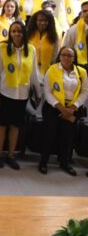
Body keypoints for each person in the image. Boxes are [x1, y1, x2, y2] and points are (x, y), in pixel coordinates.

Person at [0, 20, 40, 170]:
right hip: (6, 93)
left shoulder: (31, 49)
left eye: (19, 31)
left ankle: (11, 155)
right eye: (13, 31)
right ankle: (0, 154)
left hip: (22, 95)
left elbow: (34, 73)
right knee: (2, 125)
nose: (16, 34)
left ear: (24, 33)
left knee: (15, 126)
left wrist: (38, 93)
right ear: (10, 33)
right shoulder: (2, 48)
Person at [39, 47, 87, 176]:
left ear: (74, 57)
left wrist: (72, 108)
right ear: (59, 56)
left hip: (72, 109)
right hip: (53, 107)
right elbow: (47, 92)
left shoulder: (81, 72)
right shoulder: (52, 69)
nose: (66, 58)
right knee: (49, 135)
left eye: (70, 55)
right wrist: (61, 109)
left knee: (68, 137)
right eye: (64, 55)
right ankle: (43, 162)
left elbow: (84, 92)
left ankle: (64, 162)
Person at [62, 1, 88, 71]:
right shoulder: (73, 30)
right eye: (85, 11)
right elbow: (66, 49)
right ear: (81, 13)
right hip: (78, 67)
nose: (87, 13)